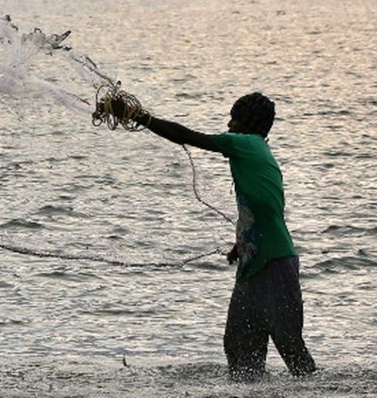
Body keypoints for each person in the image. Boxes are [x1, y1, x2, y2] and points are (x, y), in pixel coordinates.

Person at [99, 91, 316, 380]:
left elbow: (186, 136)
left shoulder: (246, 143)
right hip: (255, 263)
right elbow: (265, 206)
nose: (228, 124)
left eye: (233, 119)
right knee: (239, 348)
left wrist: (138, 116)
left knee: (290, 347)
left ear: (247, 123)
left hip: (274, 262)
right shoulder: (258, 152)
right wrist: (241, 243)